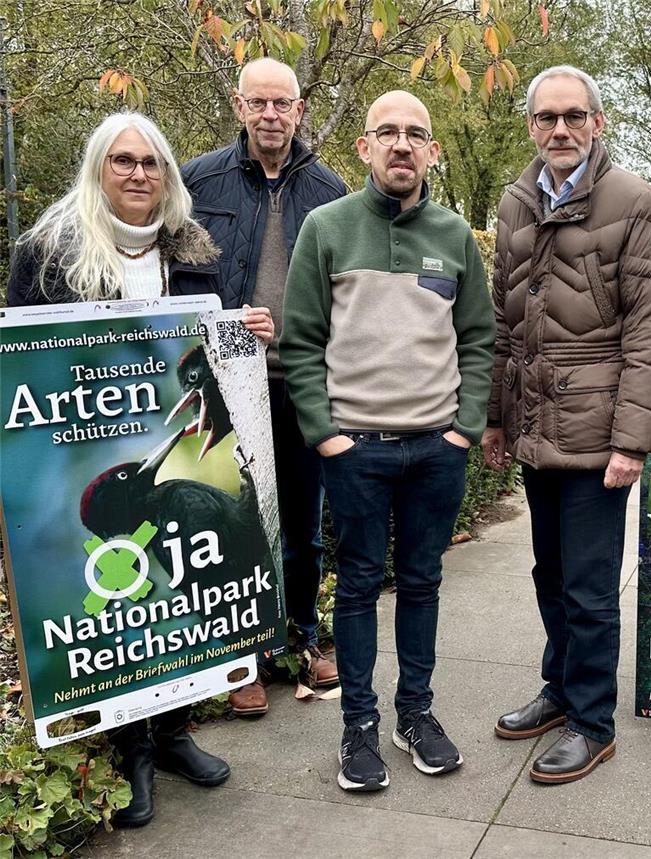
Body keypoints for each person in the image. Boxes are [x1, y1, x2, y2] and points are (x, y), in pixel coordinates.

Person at [6, 111, 273, 828]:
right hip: (93, 433)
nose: (138, 175)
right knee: (130, 605)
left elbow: (213, 338)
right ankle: (133, 753)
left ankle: (176, 732)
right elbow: (26, 356)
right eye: (123, 161)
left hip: (158, 429)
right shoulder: (47, 253)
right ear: (98, 169)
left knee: (179, 594)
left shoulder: (193, 248)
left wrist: (247, 331)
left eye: (152, 162)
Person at [280, 90, 494, 792]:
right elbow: (303, 341)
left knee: (425, 582)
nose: (402, 144)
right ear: (364, 147)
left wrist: (464, 428)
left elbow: (478, 339)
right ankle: (359, 728)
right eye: (388, 132)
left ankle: (416, 715)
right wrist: (326, 434)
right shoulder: (325, 227)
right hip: (357, 450)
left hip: (436, 449)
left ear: (432, 150)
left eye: (416, 134)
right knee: (360, 585)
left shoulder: (456, 235)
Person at [482, 65, 651, 784]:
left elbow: (650, 333)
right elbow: (506, 322)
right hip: (537, 426)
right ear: (531, 125)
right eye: (545, 118)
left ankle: (594, 721)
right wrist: (499, 420)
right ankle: (561, 689)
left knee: (592, 585)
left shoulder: (635, 203)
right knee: (551, 573)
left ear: (598, 122)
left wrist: (632, 439)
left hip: (599, 436)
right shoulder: (514, 202)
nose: (559, 130)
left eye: (573, 116)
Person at [182, 57, 348, 715]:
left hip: (303, 381)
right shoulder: (197, 182)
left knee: (304, 525)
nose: (272, 114)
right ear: (239, 104)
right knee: (233, 524)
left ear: (300, 108)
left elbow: (349, 293)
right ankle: (241, 658)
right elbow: (175, 282)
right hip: (223, 384)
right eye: (260, 103)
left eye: (284, 103)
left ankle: (302, 638)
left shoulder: (330, 190)